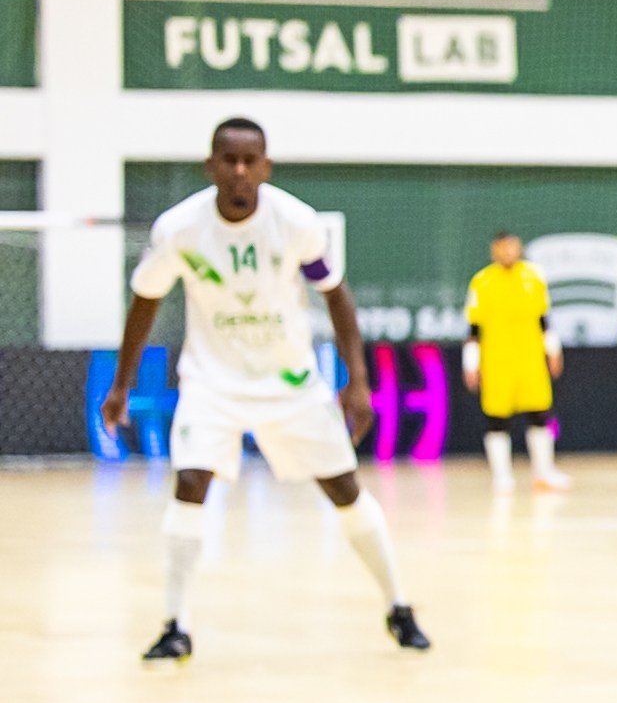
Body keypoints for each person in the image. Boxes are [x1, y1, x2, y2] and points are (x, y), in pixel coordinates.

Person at [99, 118, 430, 662]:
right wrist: (121, 385)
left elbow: (336, 295)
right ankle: (175, 624)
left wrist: (358, 381)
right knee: (190, 482)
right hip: (212, 380)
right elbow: (146, 299)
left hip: (291, 380)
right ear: (210, 167)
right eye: (228, 161)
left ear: (266, 168)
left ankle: (399, 607)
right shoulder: (179, 229)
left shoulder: (296, 222)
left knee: (344, 489)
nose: (239, 171)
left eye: (251, 161)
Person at [463, 231, 567, 492]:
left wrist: (552, 350)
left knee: (540, 414)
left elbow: (544, 319)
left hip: (530, 360)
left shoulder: (534, 277)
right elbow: (473, 328)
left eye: (512, 248)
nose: (508, 253)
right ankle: (502, 476)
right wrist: (470, 363)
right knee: (497, 418)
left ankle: (543, 472)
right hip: (497, 362)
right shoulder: (482, 282)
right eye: (502, 248)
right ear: (493, 251)